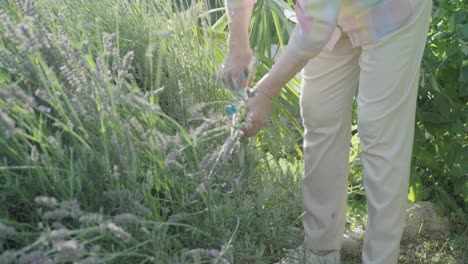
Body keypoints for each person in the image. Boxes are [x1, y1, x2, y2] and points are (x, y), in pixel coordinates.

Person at [222, 0, 433, 263]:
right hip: (329, 11)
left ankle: (380, 257)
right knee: (319, 110)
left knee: (380, 134)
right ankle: (320, 251)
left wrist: (264, 93)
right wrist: (238, 44)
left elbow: (316, 27)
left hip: (390, 9)